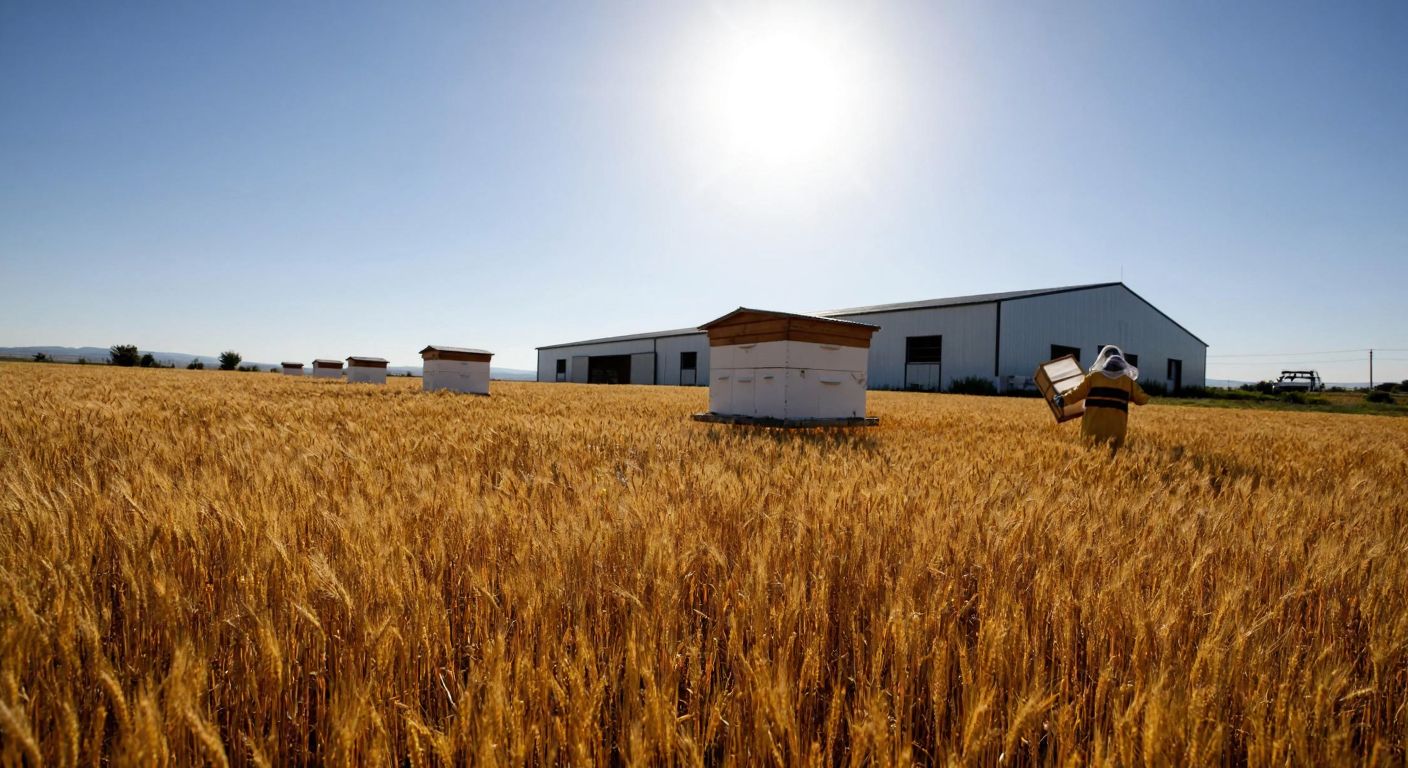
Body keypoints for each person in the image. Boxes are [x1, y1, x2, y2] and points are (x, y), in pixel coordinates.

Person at [1055, 345, 1150, 449]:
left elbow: (1077, 392)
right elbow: (1142, 400)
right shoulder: (1128, 382)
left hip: (1092, 428)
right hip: (1116, 431)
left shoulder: (1093, 377)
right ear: (1123, 367)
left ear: (1105, 365)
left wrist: (1063, 399)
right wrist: (1132, 396)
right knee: (1113, 458)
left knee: (1089, 453)